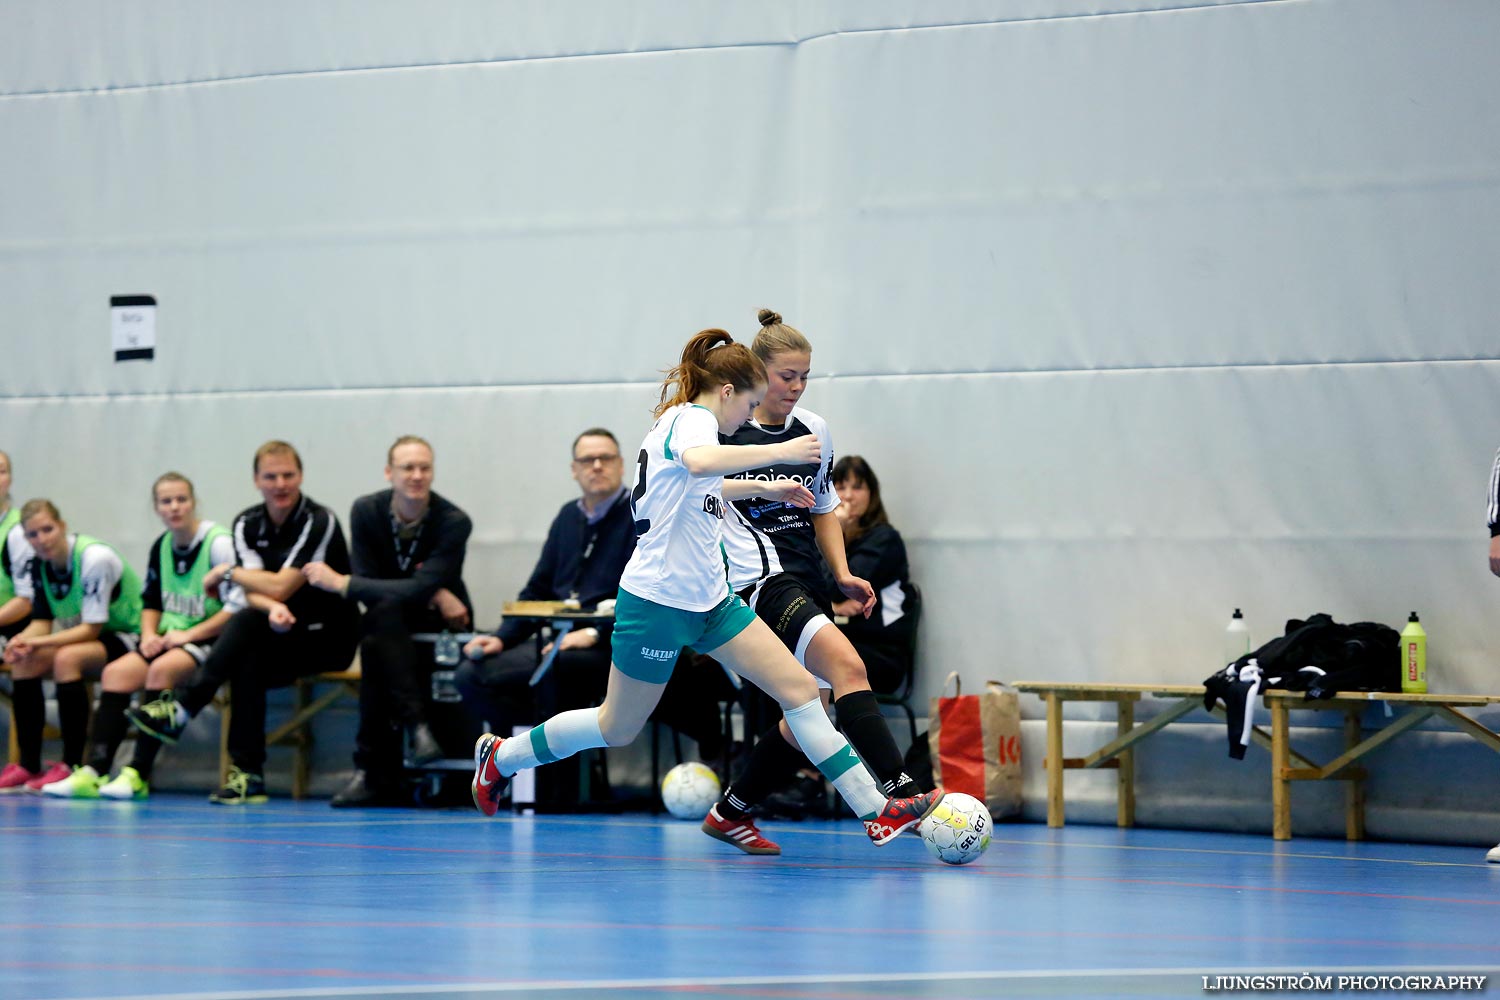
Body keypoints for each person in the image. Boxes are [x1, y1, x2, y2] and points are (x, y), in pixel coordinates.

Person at [470, 328, 943, 851]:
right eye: (749, 404)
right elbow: (699, 464)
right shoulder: (690, 420)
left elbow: (704, 482)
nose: (748, 417)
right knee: (617, 724)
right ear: (726, 392)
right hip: (657, 603)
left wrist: (768, 486)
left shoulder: (695, 428)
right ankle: (503, 757)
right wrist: (778, 453)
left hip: (712, 602)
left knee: (802, 691)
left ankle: (877, 811)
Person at [702, 309, 926, 853]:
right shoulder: (724, 431)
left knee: (813, 706)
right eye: (786, 376)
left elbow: (824, 508)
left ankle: (728, 812)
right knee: (847, 666)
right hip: (756, 583)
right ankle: (897, 793)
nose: (797, 387)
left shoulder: (814, 431)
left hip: (803, 581)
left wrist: (843, 574)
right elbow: (698, 489)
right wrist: (762, 477)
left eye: (805, 376)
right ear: (757, 372)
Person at [457, 428, 730, 808]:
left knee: (562, 671)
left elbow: (652, 586)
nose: (597, 466)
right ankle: (521, 763)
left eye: (606, 458)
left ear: (622, 464)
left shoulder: (642, 511)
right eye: (588, 460)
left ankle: (564, 789)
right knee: (471, 672)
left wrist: (592, 634)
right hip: (557, 640)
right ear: (574, 469)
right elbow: (536, 590)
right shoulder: (567, 518)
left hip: (613, 639)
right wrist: (502, 637)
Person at [127, 440, 359, 804]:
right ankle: (247, 775)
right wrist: (267, 605)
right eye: (271, 476)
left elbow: (281, 583)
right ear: (256, 480)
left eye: (288, 475)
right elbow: (256, 592)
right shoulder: (247, 522)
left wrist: (229, 573)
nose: (280, 484)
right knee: (246, 659)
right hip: (278, 628)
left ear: (301, 477)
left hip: (328, 638)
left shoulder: (319, 520)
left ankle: (186, 705)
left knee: (247, 631)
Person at [42, 472, 243, 799]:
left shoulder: (218, 544)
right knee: (115, 673)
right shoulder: (162, 546)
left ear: (194, 502)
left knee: (161, 671)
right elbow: (151, 602)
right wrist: (149, 633)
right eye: (166, 501)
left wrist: (189, 633)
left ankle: (137, 773)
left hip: (212, 637)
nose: (175, 507)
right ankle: (95, 769)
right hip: (171, 636)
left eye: (181, 499)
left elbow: (237, 607)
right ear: (157, 508)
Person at [303, 435, 474, 807]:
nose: (416, 476)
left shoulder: (454, 521)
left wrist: (342, 583)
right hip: (392, 619)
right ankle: (416, 728)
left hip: (441, 621)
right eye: (407, 468)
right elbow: (380, 584)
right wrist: (427, 587)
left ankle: (372, 772)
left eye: (424, 468)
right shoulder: (366, 511)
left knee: (378, 637)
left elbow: (368, 584)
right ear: (389, 473)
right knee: (379, 628)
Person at [0, 500, 142, 792]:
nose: (42, 539)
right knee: (24, 660)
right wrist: (22, 641)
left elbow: (92, 628)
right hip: (90, 639)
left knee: (68, 658)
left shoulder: (93, 558)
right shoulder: (39, 566)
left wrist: (39, 640)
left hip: (131, 636)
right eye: (33, 535)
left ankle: (72, 763)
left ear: (62, 526)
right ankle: (28, 764)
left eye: (47, 529)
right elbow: (41, 620)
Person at [824, 455, 917, 695]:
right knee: (778, 663)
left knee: (802, 666)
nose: (848, 496)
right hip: (843, 643)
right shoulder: (825, 541)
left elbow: (837, 586)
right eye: (840, 487)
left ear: (871, 494)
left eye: (857, 487)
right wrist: (834, 607)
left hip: (880, 654)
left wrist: (836, 531)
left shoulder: (884, 540)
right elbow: (810, 588)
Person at [0, 450, 37, 644]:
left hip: (11, 628)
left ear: (10, 480)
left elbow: (26, 601)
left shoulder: (19, 530)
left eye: (1, 471)